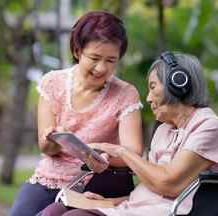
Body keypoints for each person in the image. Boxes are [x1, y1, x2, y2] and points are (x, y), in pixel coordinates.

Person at [41, 51, 218, 216]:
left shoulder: (208, 126)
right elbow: (151, 190)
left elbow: (167, 184)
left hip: (171, 211)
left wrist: (121, 151)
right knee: (53, 211)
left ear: (179, 83)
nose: (148, 98)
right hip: (138, 209)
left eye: (153, 87)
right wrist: (109, 202)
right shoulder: (164, 130)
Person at [9, 11, 143, 216]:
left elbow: (133, 154)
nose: (101, 68)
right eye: (94, 58)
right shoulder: (52, 83)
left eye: (111, 60)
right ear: (77, 50)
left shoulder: (126, 94)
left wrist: (102, 157)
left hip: (98, 184)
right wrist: (55, 138)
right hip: (50, 178)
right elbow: (46, 148)